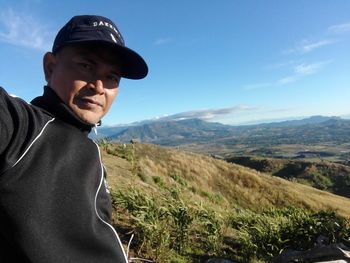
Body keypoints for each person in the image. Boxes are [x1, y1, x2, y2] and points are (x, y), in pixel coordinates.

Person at [0, 15, 148, 262]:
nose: (99, 86)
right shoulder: (22, 127)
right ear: (50, 67)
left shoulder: (91, 152)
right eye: (87, 66)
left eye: (112, 76)